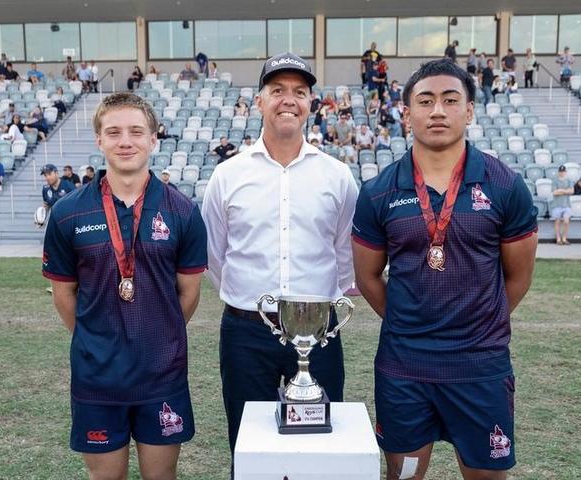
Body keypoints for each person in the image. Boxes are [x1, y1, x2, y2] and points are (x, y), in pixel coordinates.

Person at [351, 58, 538, 480]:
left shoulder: (504, 185)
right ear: (407, 112)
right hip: (405, 367)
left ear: (469, 110)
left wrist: (482, 323)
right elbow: (366, 277)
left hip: (480, 367)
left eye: (450, 100)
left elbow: (520, 275)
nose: (438, 110)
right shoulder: (379, 191)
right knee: (404, 475)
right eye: (426, 100)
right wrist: (408, 321)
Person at [42, 92, 207, 480]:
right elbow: (64, 295)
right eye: (113, 132)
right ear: (99, 141)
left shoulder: (183, 211)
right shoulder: (68, 212)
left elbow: (189, 293)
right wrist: (97, 337)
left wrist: (158, 333)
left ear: (153, 139)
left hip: (161, 372)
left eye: (136, 131)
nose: (125, 141)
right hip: (97, 377)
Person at [201, 51, 358, 457]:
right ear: (259, 102)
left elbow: (345, 251)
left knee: (321, 447)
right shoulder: (228, 175)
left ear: (311, 104)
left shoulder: (337, 175)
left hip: (318, 333)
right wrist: (248, 296)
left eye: (299, 92)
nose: (289, 99)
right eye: (277, 90)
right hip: (246, 331)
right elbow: (214, 255)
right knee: (248, 445)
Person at [551, 165, 574, 245]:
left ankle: (564, 238)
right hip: (557, 204)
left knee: (566, 221)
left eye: (563, 171)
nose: (562, 173)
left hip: (566, 204)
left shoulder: (569, 181)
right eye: (560, 171)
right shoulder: (555, 181)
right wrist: (565, 191)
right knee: (557, 221)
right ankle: (558, 239)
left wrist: (560, 190)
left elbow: (571, 191)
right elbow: (554, 192)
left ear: (565, 172)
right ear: (558, 172)